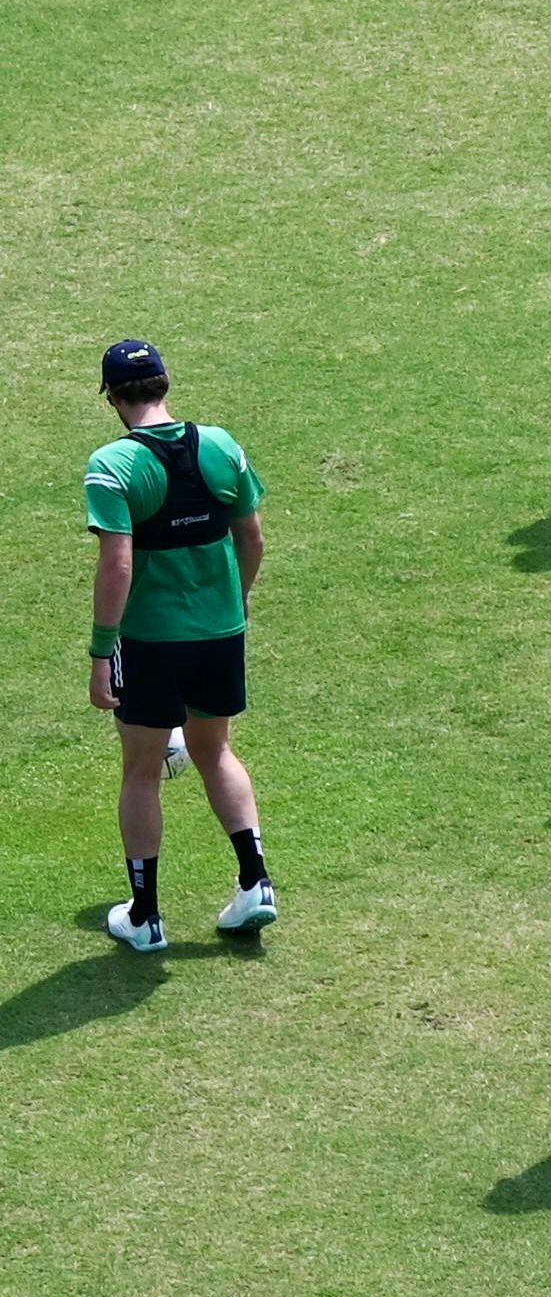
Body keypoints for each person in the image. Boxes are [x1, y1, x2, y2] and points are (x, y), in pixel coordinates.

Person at [82, 340, 277, 951]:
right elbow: (253, 539)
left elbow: (118, 567)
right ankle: (256, 882)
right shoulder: (222, 446)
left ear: (114, 397)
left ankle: (145, 917)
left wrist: (100, 651)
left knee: (142, 768)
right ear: (165, 383)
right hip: (220, 633)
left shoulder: (112, 465)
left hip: (149, 641)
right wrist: (234, 602)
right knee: (215, 751)